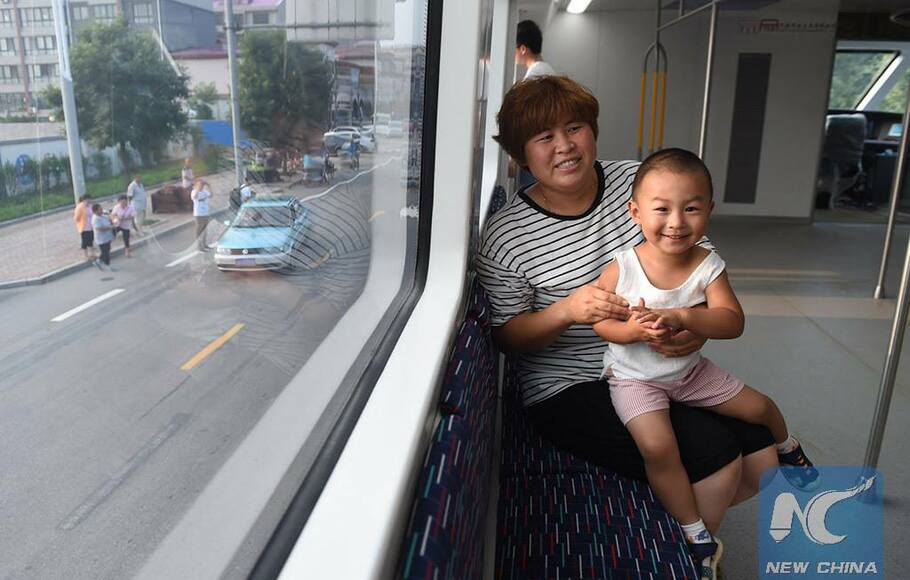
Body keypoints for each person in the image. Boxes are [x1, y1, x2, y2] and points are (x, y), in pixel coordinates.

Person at [476, 76, 778, 580]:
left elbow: (696, 271)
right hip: (569, 385)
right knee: (720, 456)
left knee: (763, 444)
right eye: (543, 137)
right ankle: (686, 558)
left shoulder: (639, 183)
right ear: (519, 155)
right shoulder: (506, 236)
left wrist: (693, 331)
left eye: (574, 128)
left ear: (593, 131)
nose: (565, 145)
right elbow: (506, 337)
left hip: (664, 362)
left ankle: (692, 531)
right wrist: (566, 311)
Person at [592, 148, 819, 574]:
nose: (677, 221)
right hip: (635, 380)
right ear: (635, 212)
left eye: (691, 208)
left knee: (760, 407)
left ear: (709, 211)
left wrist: (682, 316)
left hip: (690, 373)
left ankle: (789, 448)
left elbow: (732, 321)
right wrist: (635, 331)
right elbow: (602, 327)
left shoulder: (708, 265)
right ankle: (695, 528)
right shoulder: (622, 267)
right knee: (658, 447)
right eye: (662, 209)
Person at [91, 203, 115, 271]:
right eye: (100, 209)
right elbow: (99, 228)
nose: (102, 210)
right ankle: (107, 265)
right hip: (101, 238)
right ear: (95, 211)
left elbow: (109, 220)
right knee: (106, 252)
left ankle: (98, 261)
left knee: (107, 250)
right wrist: (110, 227)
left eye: (101, 209)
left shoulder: (102, 216)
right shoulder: (96, 219)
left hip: (107, 237)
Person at [73, 194, 96, 261]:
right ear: (84, 200)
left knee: (90, 240)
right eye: (87, 199)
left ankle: (92, 254)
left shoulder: (90, 206)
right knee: (85, 241)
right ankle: (85, 255)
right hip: (84, 227)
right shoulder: (80, 207)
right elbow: (76, 218)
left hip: (91, 226)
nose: (89, 201)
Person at [191, 178, 212, 251]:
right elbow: (194, 197)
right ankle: (199, 246)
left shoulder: (204, 191)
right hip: (198, 214)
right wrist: (197, 188)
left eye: (202, 184)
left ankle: (205, 244)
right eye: (200, 184)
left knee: (205, 230)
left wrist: (209, 186)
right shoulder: (194, 192)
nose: (202, 186)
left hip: (205, 212)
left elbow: (211, 195)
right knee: (199, 230)